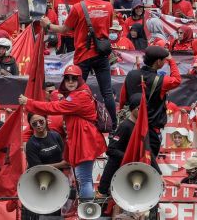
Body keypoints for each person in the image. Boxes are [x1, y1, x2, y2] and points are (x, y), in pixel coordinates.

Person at [18, 65, 107, 200]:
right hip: (83, 139)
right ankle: (84, 209)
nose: (70, 82)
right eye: (67, 78)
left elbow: (55, 107)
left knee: (84, 178)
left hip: (85, 140)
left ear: (80, 80)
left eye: (74, 79)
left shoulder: (79, 96)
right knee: (83, 177)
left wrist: (29, 102)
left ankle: (86, 211)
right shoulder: (79, 92)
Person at [40, 0, 117, 129]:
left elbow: (64, 29)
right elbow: (107, 28)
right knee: (107, 92)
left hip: (83, 54)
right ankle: (112, 125)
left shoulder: (78, 7)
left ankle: (70, 122)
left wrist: (47, 25)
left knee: (74, 90)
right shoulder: (108, 6)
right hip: (102, 54)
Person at [121, 46, 182, 171]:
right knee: (148, 165)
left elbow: (123, 99)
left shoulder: (131, 75)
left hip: (130, 126)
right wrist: (172, 61)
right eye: (164, 60)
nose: (165, 62)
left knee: (130, 162)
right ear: (158, 62)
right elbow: (177, 80)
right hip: (150, 131)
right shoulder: (161, 80)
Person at [96, 93, 143, 197]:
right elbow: (111, 150)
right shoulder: (125, 126)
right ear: (133, 109)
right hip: (113, 175)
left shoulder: (139, 126)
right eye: (140, 108)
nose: (144, 112)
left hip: (126, 173)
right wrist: (129, 157)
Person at [22, 113, 67, 219]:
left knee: (55, 211)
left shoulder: (55, 136)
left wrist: (63, 164)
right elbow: (37, 168)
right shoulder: (31, 144)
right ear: (30, 125)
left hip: (56, 180)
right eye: (34, 123)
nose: (38, 125)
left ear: (46, 120)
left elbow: (64, 155)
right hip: (38, 182)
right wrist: (61, 164)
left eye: (41, 121)